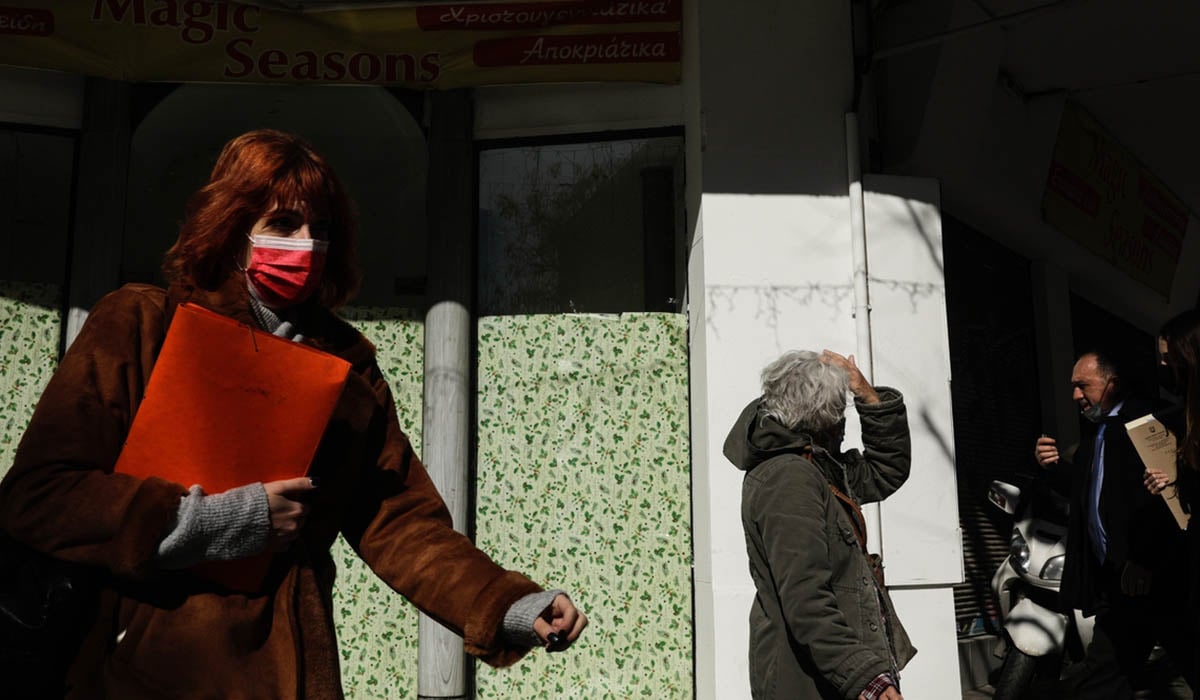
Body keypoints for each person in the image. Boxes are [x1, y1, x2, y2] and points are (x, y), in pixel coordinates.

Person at [0, 129, 586, 698]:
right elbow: (41, 496)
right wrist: (225, 520)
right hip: (149, 664)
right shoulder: (142, 324)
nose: (306, 243)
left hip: (295, 667)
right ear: (231, 230)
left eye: (320, 227)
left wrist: (508, 604)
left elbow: (400, 519)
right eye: (283, 224)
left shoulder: (349, 369)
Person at [724, 349, 915, 700]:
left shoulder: (817, 465)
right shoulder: (790, 478)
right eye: (840, 410)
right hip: (811, 682)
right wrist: (863, 677)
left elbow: (885, 472)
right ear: (825, 417)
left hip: (832, 672)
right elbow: (806, 596)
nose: (843, 421)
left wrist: (869, 396)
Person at [1034, 349, 1191, 698]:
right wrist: (1054, 467)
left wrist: (1145, 560)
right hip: (1116, 583)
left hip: (1156, 578)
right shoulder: (1096, 433)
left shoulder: (1149, 425)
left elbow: (1165, 501)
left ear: (1111, 384)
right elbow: (1089, 493)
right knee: (1107, 673)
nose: (1075, 395)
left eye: (1082, 385)